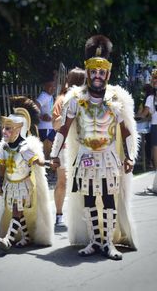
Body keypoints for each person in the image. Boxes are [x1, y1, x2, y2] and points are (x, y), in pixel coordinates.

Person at [50, 35, 139, 260]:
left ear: (107, 74)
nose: (97, 76)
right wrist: (55, 155)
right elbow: (63, 129)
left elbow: (126, 130)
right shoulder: (75, 99)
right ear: (88, 73)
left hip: (108, 157)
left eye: (102, 73)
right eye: (94, 72)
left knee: (109, 198)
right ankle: (94, 240)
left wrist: (130, 157)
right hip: (86, 157)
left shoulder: (115, 100)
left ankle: (108, 243)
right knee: (89, 199)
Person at [0, 105, 53, 251]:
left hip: (23, 186)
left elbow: (37, 162)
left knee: (16, 210)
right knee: (18, 212)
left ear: (19, 128)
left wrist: (49, 163)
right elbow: (2, 167)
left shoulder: (25, 148)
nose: (4, 131)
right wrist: (0, 182)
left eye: (8, 128)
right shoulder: (4, 148)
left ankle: (7, 239)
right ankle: (26, 237)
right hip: (10, 185)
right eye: (4, 128)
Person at [52, 67, 85, 227]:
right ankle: (59, 215)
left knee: (84, 182)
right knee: (63, 181)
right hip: (64, 147)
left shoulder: (89, 99)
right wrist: (67, 111)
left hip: (83, 147)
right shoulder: (62, 99)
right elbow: (55, 125)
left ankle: (82, 216)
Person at [137, 68, 157, 192]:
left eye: (155, 78)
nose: (154, 81)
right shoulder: (151, 97)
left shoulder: (151, 97)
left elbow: (145, 114)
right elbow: (146, 113)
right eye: (153, 78)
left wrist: (134, 116)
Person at [35, 79, 56, 160]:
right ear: (45, 86)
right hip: (45, 129)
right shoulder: (44, 96)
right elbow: (35, 106)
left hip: (49, 128)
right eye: (50, 86)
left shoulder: (49, 96)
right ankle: (45, 172)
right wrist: (41, 117)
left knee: (49, 154)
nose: (53, 88)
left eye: (54, 86)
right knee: (46, 154)